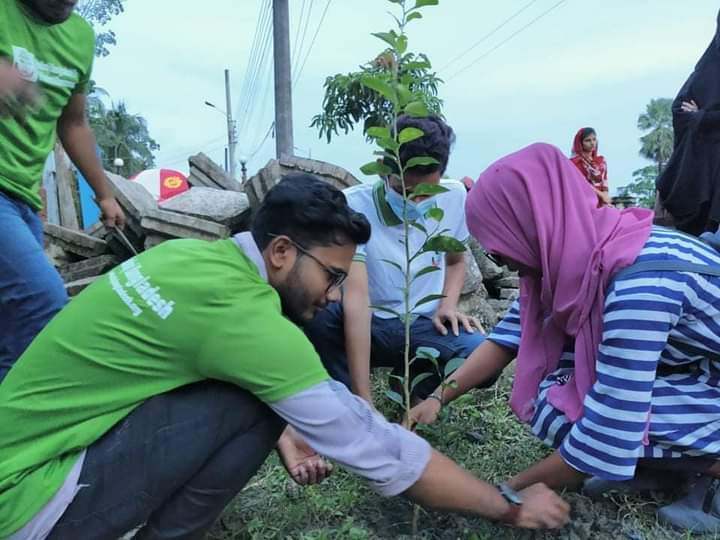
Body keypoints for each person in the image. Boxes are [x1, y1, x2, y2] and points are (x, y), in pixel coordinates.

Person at [0, 174, 569, 539]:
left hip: (25, 457)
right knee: (263, 405)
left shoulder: (185, 262)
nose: (333, 294)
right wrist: (509, 506)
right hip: (27, 503)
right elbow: (376, 447)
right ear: (279, 251)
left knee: (258, 399)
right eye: (331, 276)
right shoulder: (245, 318)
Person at [409, 142, 720, 533]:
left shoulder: (641, 283)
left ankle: (700, 478)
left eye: (499, 241)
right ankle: (666, 469)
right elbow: (509, 338)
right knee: (559, 398)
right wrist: (437, 398)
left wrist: (500, 495)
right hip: (703, 372)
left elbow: (610, 425)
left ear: (532, 221)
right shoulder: (575, 255)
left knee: (599, 417)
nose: (496, 257)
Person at [305, 115, 486, 406]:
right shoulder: (354, 206)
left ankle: (416, 387)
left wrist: (447, 306)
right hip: (370, 323)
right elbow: (358, 300)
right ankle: (345, 400)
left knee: (480, 350)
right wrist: (365, 399)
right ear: (384, 170)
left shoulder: (453, 197)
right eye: (404, 191)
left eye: (425, 192)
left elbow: (455, 261)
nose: (414, 202)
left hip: (422, 325)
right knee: (321, 315)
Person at [0, 0, 125, 382]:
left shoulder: (80, 37)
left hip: (22, 199)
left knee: (11, 336)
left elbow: (73, 123)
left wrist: (104, 193)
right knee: (44, 303)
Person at [655, 9, 720, 236]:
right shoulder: (708, 65)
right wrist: (701, 119)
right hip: (697, 167)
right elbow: (679, 108)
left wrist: (702, 116)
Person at [569, 127, 610, 205]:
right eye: (588, 140)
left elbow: (604, 180)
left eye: (594, 139)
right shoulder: (574, 163)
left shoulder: (601, 161)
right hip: (585, 200)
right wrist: (601, 194)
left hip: (602, 200)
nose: (592, 143)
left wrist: (605, 196)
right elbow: (581, 183)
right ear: (580, 143)